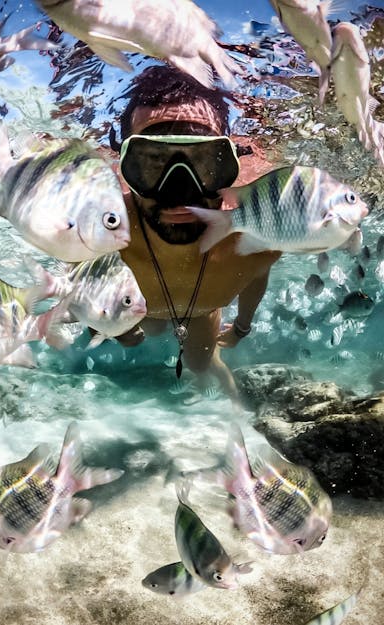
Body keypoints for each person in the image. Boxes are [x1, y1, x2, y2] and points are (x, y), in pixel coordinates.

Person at [112, 65, 281, 400]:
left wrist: (243, 326)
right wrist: (107, 325)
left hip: (202, 312)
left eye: (204, 163)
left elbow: (256, 276)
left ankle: (232, 405)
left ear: (228, 165)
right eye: (152, 162)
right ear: (126, 167)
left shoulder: (256, 234)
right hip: (145, 311)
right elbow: (80, 285)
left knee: (202, 364)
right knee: (154, 325)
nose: (179, 194)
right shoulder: (100, 230)